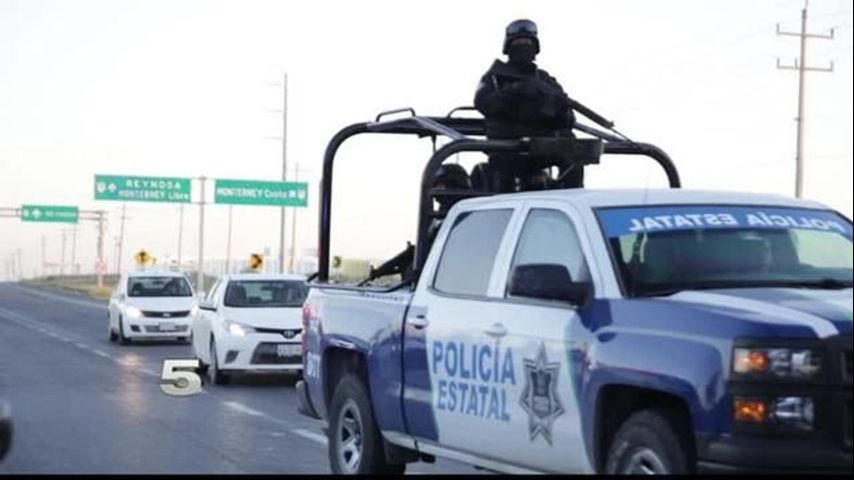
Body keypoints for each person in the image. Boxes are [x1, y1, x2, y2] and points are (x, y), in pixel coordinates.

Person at [474, 19, 581, 192]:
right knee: (502, 171)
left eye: (528, 43)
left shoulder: (545, 79)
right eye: (518, 43)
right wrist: (514, 92)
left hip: (540, 147)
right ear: (508, 49)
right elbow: (483, 102)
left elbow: (568, 117)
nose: (524, 48)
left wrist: (554, 108)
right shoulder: (494, 78)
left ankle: (574, 195)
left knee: (572, 146)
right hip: (507, 149)